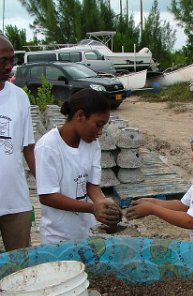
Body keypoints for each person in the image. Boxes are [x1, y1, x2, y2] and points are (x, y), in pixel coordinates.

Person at [35, 88, 122, 244]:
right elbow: (47, 196)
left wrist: (101, 203)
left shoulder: (92, 144)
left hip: (85, 231)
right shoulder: (48, 147)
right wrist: (91, 208)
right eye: (98, 124)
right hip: (58, 236)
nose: (100, 132)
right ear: (80, 116)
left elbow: (91, 184)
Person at [0, 34, 35, 252]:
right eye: (2, 61)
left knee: (22, 267)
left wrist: (49, 186)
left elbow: (28, 147)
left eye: (11, 60)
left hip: (15, 202)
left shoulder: (19, 96)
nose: (9, 66)